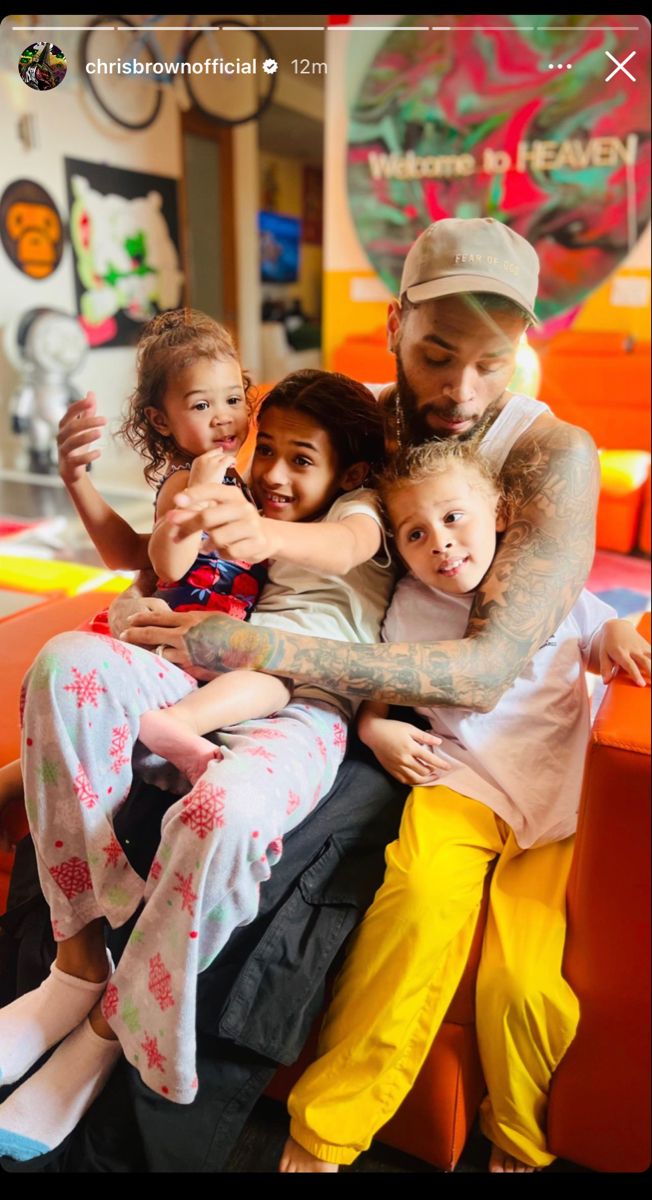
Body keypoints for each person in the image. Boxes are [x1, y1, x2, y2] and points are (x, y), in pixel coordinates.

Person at [0, 348, 394, 1162]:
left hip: (305, 700)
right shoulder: (240, 491)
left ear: (348, 469)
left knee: (220, 813)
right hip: (217, 664)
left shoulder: (365, 512)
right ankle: (78, 957)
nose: (276, 471)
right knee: (65, 664)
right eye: (268, 449)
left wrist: (264, 524)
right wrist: (174, 525)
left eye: (301, 457)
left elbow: (344, 545)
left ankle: (114, 1024)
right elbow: (160, 563)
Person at [278, 439, 650, 1173]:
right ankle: (328, 1129)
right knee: (412, 910)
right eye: (416, 534)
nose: (441, 543)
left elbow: (608, 627)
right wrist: (379, 730)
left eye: (455, 519)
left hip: (557, 811)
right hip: (462, 785)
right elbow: (380, 703)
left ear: (501, 515)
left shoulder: (550, 588)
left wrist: (613, 630)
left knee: (524, 981)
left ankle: (516, 1129)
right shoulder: (410, 610)